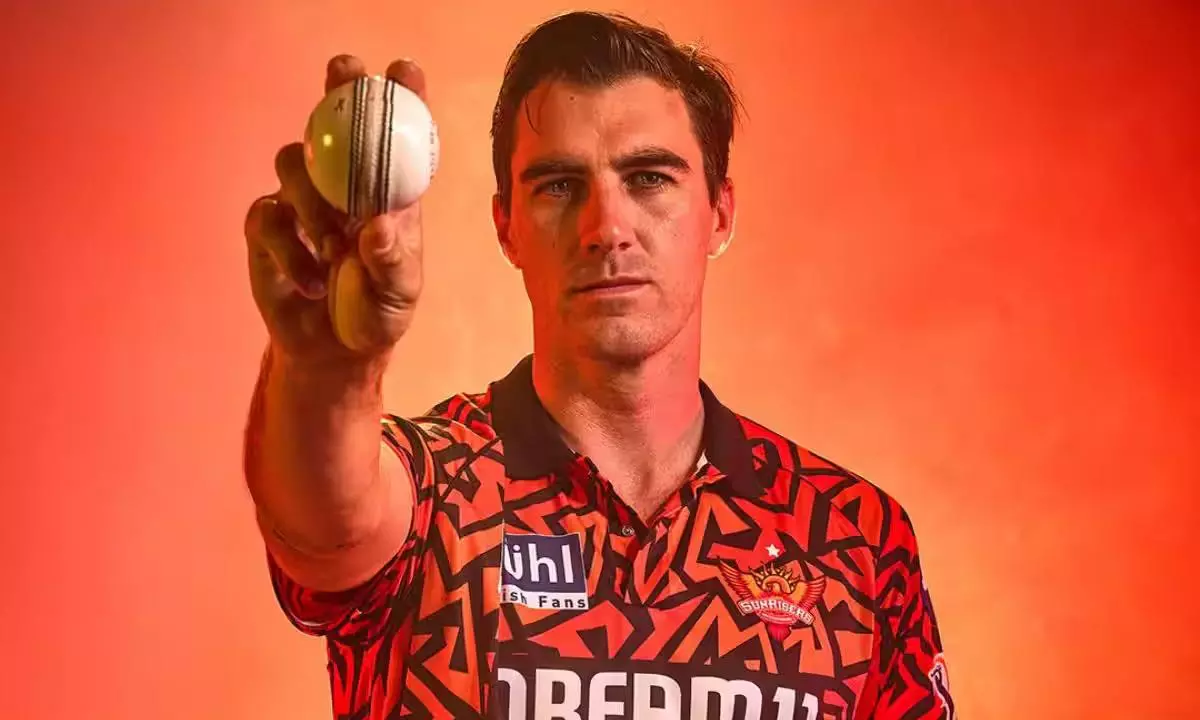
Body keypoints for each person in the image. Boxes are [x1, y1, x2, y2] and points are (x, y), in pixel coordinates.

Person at [242, 10, 955, 720]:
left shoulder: (852, 538)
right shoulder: (432, 495)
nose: (605, 228)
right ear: (506, 227)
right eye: (558, 185)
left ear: (721, 214)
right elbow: (324, 522)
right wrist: (325, 370)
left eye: (648, 178)